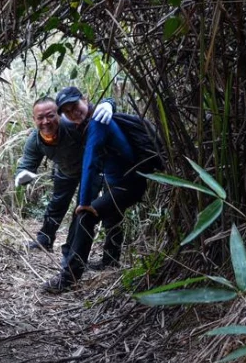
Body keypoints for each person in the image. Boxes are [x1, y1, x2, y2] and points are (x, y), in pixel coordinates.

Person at [42, 87, 148, 293]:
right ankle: (110, 260)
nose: (74, 113)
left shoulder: (97, 121)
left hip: (129, 184)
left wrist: (84, 203)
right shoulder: (88, 121)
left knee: (85, 218)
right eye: (68, 111)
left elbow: (90, 163)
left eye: (76, 106)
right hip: (117, 181)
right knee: (112, 217)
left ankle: (69, 277)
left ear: (85, 99)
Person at [15, 93, 113, 250]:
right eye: (40, 118)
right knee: (57, 204)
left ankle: (72, 249)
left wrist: (108, 103)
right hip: (65, 170)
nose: (45, 122)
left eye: (50, 116)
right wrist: (21, 176)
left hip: (91, 170)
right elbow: (27, 164)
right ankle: (44, 240)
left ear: (59, 115)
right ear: (34, 120)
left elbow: (93, 111)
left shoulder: (73, 124)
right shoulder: (36, 140)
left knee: (83, 208)